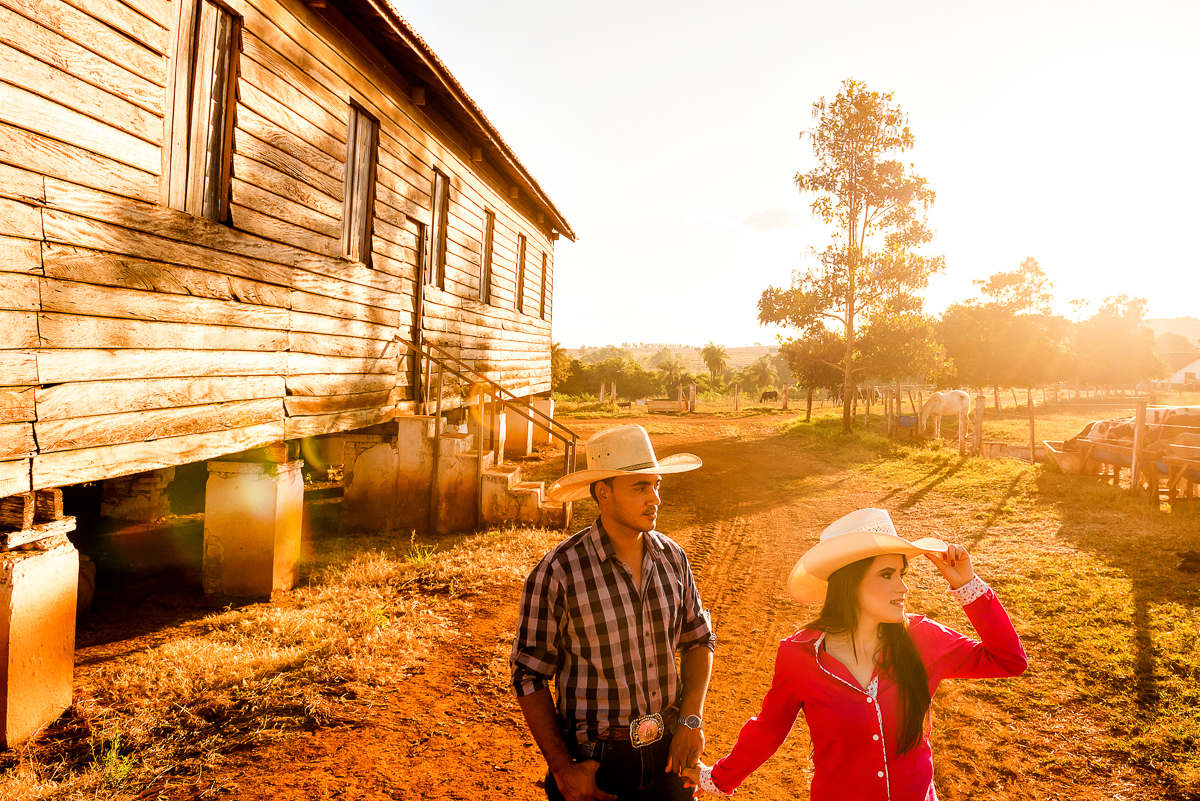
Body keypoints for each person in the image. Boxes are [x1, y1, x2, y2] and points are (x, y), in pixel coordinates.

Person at [684, 507, 1027, 800]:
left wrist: (965, 583)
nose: (903, 587)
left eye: (902, 573)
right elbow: (767, 732)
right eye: (887, 574)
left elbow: (1009, 659)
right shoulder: (799, 655)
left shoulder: (924, 639)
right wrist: (713, 778)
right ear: (851, 582)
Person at [511, 424, 716, 801]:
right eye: (640, 487)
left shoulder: (672, 558)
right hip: (597, 769)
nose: (654, 498)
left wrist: (691, 720)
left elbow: (699, 639)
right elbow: (529, 676)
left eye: (657, 485)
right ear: (603, 493)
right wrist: (563, 770)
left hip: (670, 759)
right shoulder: (559, 572)